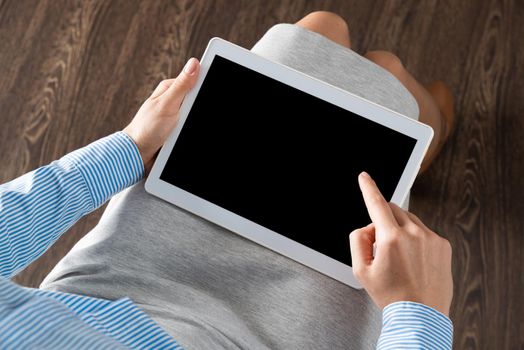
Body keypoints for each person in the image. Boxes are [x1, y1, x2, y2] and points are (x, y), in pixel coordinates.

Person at [0, 11, 454, 349]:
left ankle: (419, 130)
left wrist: (131, 147)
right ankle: (429, 130)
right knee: (385, 71)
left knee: (320, 29)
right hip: (271, 338)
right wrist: (418, 311)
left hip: (113, 285)